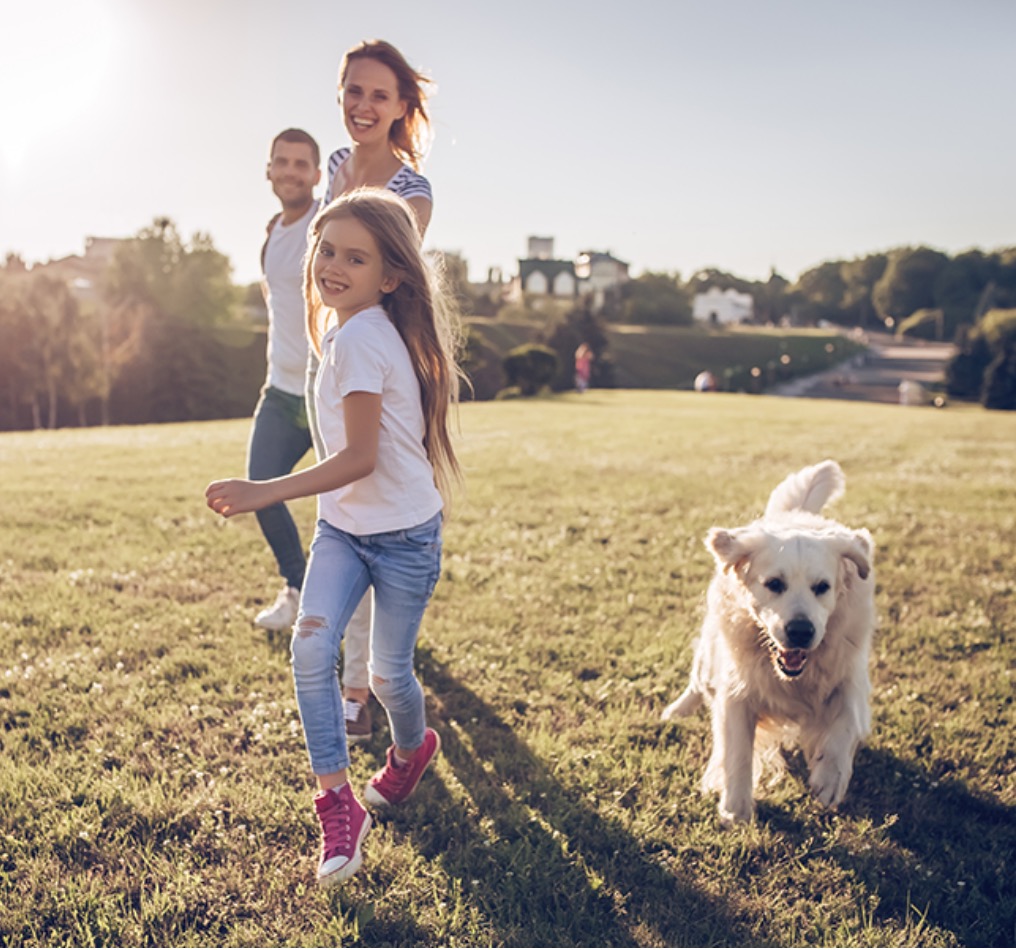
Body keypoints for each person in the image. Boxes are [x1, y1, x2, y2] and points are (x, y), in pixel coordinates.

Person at [205, 188, 463, 886]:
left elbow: (358, 459)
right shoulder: (344, 328)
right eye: (327, 251)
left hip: (406, 537)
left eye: (357, 257)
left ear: (391, 276)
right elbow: (353, 471)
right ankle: (338, 802)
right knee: (311, 645)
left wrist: (264, 492)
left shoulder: (360, 337)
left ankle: (411, 754)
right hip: (345, 533)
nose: (335, 266)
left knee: (387, 677)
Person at [311, 38, 436, 746]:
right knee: (342, 516)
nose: (363, 106)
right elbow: (325, 257)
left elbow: (382, 273)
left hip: (378, 362)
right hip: (327, 353)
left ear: (401, 108)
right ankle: (365, 673)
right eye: (353, 91)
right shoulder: (334, 166)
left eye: (379, 96)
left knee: (370, 514)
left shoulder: (412, 190)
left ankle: (362, 685)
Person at [246, 128, 321, 633]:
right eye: (282, 162)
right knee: (260, 487)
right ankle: (298, 589)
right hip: (280, 389)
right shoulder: (272, 233)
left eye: (302, 164)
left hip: (326, 392)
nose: (291, 172)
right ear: (269, 170)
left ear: (317, 175)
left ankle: (355, 611)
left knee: (350, 509)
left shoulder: (327, 222)